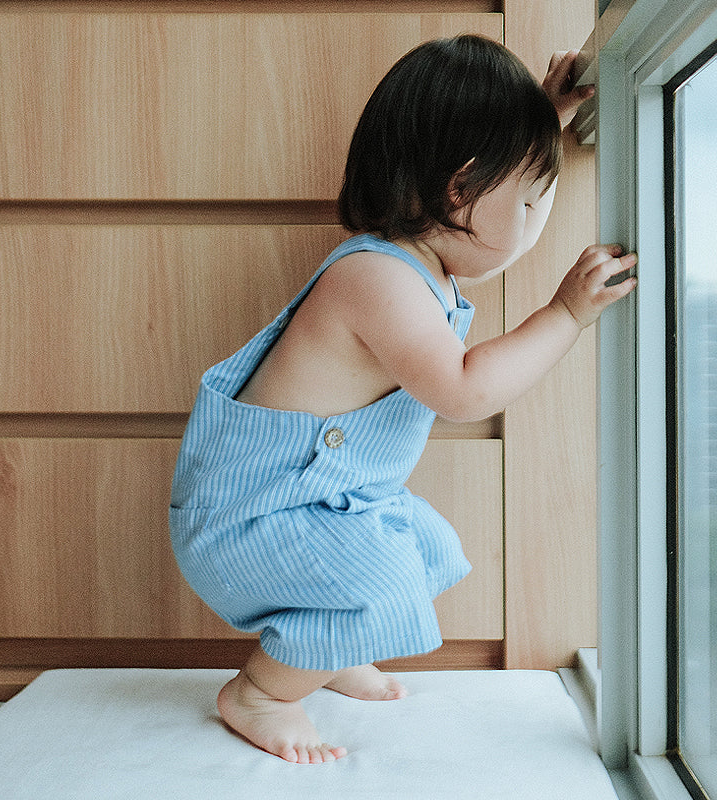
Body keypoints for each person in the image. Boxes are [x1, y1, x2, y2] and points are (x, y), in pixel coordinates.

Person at [169, 35, 637, 765]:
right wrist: (565, 315)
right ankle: (261, 692)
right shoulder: (377, 281)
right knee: (383, 584)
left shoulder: (423, 267)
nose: (536, 221)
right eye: (531, 200)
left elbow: (495, 209)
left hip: (325, 501)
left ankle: (328, 645)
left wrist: (542, 116)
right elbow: (463, 390)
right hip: (250, 519)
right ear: (461, 188)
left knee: (428, 551)